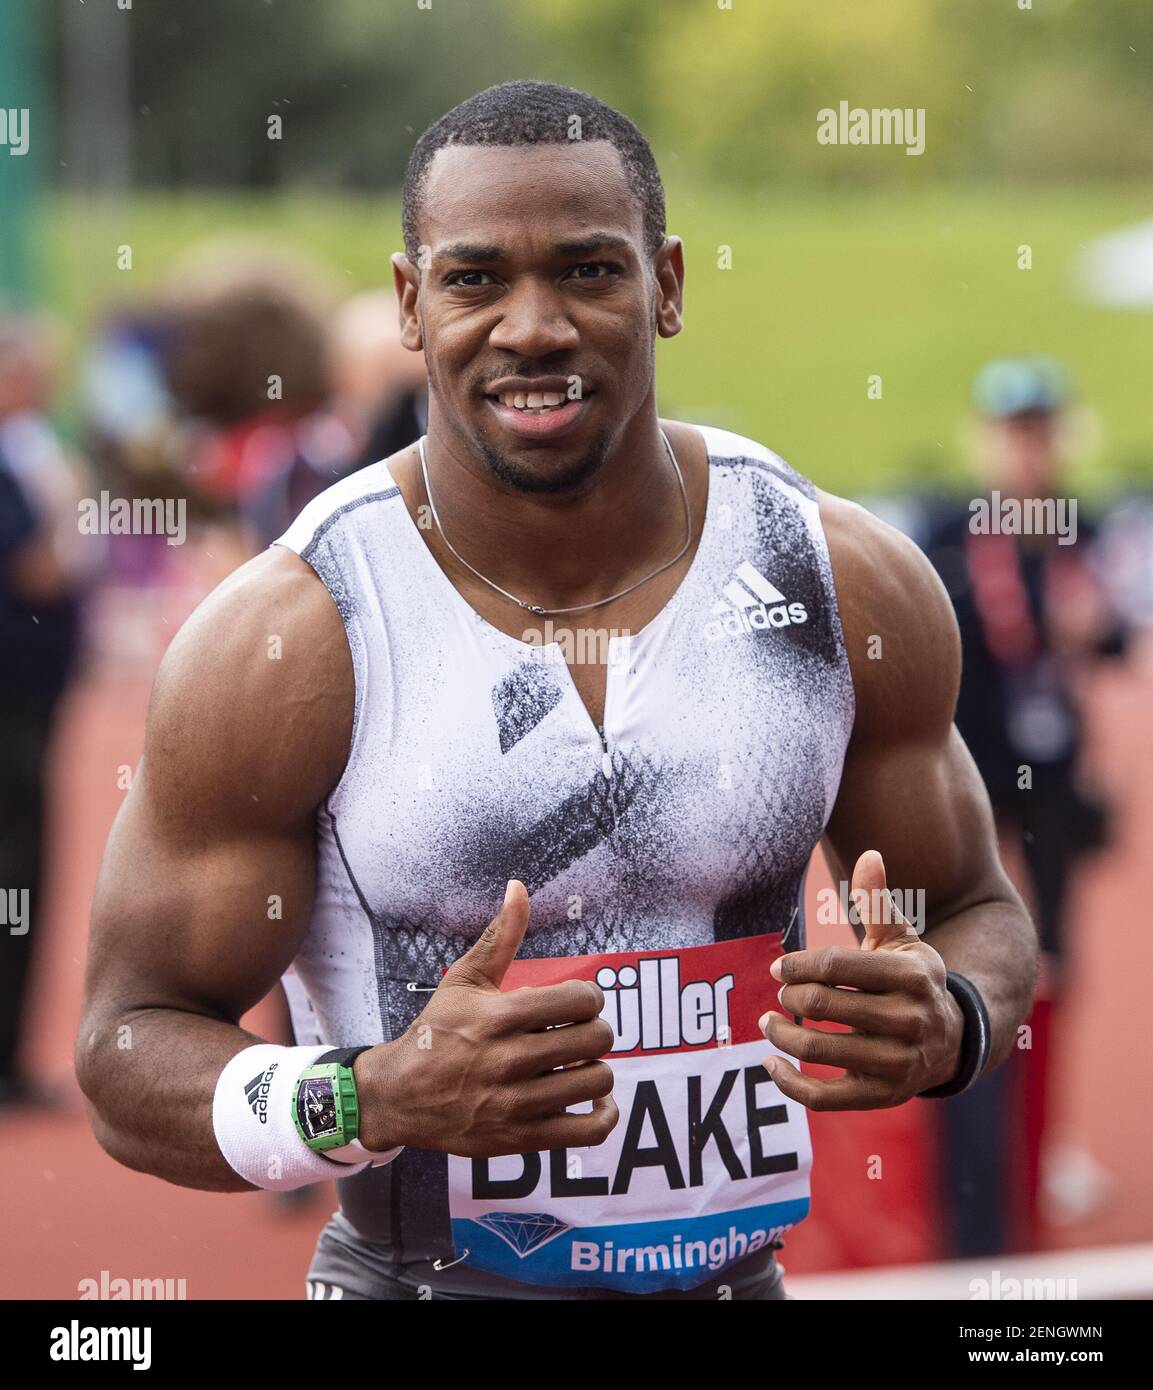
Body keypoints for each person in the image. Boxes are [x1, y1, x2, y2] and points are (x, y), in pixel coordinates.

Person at [77, 81, 1036, 1301]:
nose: (533, 327)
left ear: (669, 285)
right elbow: (122, 1052)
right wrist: (370, 1094)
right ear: (411, 304)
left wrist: (950, 1019)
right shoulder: (297, 633)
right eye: (476, 279)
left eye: (588, 271)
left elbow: (977, 909)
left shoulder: (836, 578)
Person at [923, 357, 1128, 1254]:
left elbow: (1111, 642)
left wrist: (1098, 628)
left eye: (1041, 431)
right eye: (1015, 432)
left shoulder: (1079, 531)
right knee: (986, 956)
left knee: (1058, 966)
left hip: (1055, 791)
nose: (1029, 451)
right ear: (989, 439)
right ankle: (975, 1172)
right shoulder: (952, 531)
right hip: (978, 787)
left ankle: (1042, 1143)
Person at [0, 315, 88, 1107]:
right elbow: (39, 571)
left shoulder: (28, 451)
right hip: (12, 701)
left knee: (26, 872)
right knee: (15, 871)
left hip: (32, 699)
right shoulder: (15, 460)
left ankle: (11, 1055)